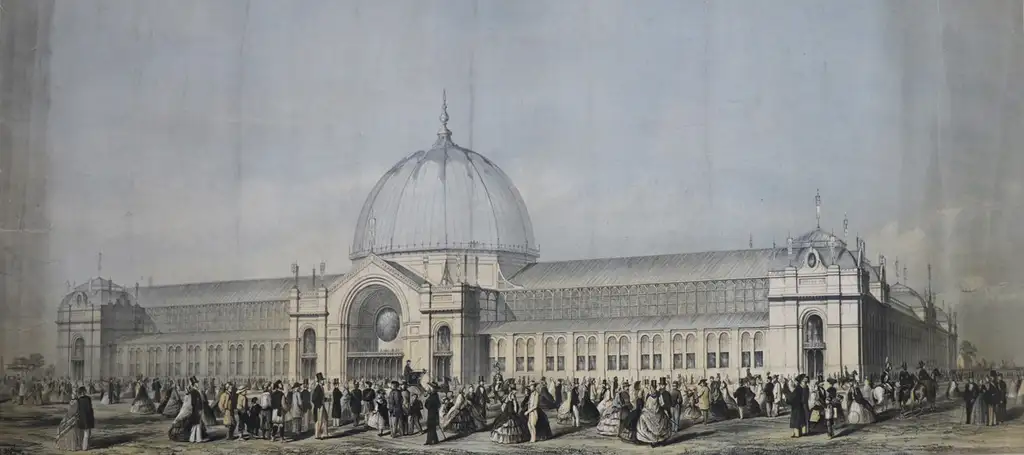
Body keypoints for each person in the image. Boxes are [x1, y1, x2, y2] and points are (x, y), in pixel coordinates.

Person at [55, 387, 85, 451]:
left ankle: (73, 446)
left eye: (74, 393)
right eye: (72, 394)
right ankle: (67, 445)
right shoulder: (72, 401)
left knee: (73, 432)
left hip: (73, 418)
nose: (72, 395)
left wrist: (71, 416)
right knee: (63, 428)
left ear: (76, 394)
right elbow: (69, 410)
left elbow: (74, 411)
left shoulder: (77, 401)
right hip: (69, 416)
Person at [424, 380, 443, 446]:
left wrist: (428, 403)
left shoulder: (434, 396)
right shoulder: (432, 395)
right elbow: (427, 405)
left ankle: (430, 441)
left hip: (433, 413)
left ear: (433, 389)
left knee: (431, 427)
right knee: (431, 427)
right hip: (431, 413)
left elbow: (438, 405)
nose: (429, 388)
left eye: (430, 387)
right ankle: (434, 440)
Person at [312, 373, 328, 439]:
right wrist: (318, 405)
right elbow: (314, 399)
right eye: (322, 380)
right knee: (319, 420)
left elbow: (321, 397)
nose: (323, 381)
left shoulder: (321, 388)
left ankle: (323, 433)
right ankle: (318, 434)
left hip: (322, 406)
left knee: (324, 419)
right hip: (319, 407)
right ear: (319, 381)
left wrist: (326, 399)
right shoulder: (317, 388)